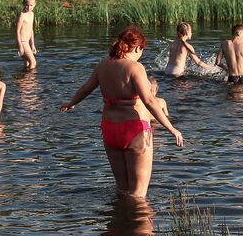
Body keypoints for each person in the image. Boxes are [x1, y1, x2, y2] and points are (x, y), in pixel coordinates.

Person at [60, 26, 183, 198]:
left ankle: (120, 222)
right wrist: (172, 129)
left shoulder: (103, 64)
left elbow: (85, 88)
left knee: (122, 189)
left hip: (110, 129)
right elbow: (149, 101)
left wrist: (71, 103)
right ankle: (139, 224)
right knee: (138, 193)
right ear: (138, 48)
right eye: (142, 50)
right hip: (135, 130)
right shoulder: (135, 67)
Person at [15, 0, 37, 71]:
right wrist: (20, 46)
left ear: (34, 5)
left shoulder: (32, 14)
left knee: (27, 63)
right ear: (24, 4)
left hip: (27, 42)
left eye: (31, 5)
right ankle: (31, 80)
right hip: (22, 41)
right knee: (33, 63)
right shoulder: (22, 15)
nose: (29, 7)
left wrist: (33, 45)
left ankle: (24, 81)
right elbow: (17, 31)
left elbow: (31, 30)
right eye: (27, 5)